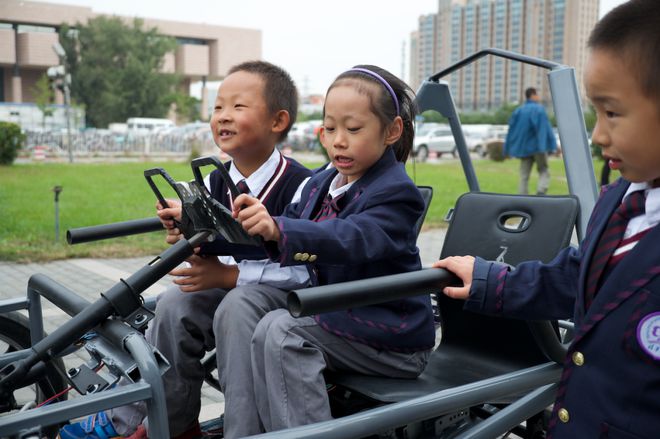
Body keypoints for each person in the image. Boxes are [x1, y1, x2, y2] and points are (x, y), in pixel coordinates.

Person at [435, 1, 660, 437]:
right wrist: (488, 280)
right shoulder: (618, 202)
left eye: (611, 112)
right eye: (595, 113)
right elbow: (576, 276)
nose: (597, 134)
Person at [58, 60, 312, 439]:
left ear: (277, 122)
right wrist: (185, 235)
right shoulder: (212, 178)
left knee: (232, 309)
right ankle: (167, 424)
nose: (223, 117)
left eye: (238, 107)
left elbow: (303, 270)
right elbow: (211, 246)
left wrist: (227, 276)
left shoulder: (300, 185)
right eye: (217, 108)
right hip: (227, 287)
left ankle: (244, 430)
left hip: (275, 295)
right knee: (174, 303)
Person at [210, 65, 434, 437]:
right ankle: (246, 431)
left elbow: (351, 237)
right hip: (335, 313)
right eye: (330, 129)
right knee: (243, 304)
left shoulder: (396, 193)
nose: (338, 141)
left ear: (392, 131)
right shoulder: (321, 182)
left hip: (390, 335)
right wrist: (210, 231)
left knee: (281, 331)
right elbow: (282, 235)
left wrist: (280, 227)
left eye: (354, 129)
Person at [504, 87, 557, 195]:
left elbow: (511, 130)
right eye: (537, 94)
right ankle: (541, 191)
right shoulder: (539, 109)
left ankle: (522, 196)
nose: (538, 97)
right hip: (538, 147)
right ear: (532, 95)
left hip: (523, 149)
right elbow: (544, 128)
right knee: (543, 170)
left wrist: (507, 149)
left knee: (524, 176)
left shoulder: (518, 111)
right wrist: (550, 146)